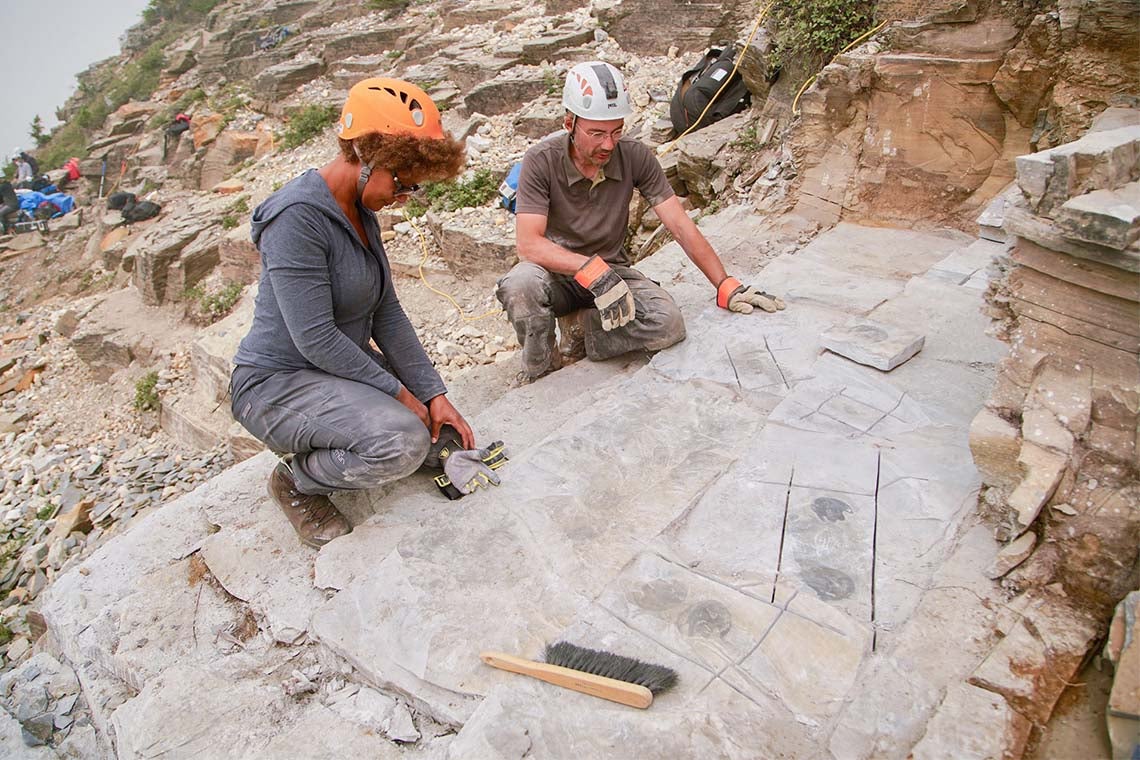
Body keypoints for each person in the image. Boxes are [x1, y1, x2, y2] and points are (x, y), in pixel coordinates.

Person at [230, 78, 484, 547]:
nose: (404, 197)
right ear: (370, 157)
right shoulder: (296, 219)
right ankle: (298, 481)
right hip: (275, 384)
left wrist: (432, 394)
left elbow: (386, 311)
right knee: (402, 443)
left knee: (438, 436)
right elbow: (315, 338)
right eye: (403, 184)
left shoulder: (359, 210)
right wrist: (401, 395)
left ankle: (369, 427)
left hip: (334, 372)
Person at [496, 61, 785, 383]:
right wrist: (591, 271)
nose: (608, 144)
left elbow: (679, 224)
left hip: (613, 271)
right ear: (569, 123)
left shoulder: (634, 156)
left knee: (667, 324)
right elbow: (529, 244)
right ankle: (542, 370)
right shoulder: (541, 160)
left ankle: (580, 329)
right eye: (596, 134)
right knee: (520, 285)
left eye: (616, 131)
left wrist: (724, 284)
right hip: (556, 273)